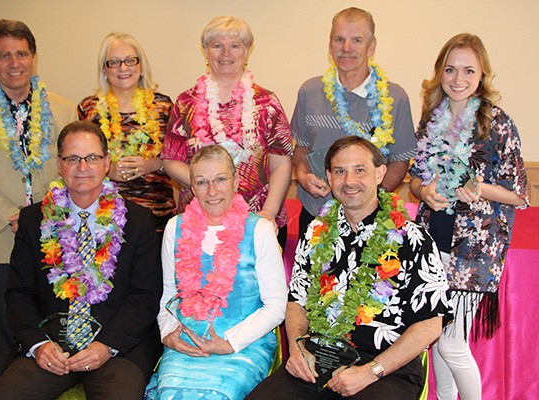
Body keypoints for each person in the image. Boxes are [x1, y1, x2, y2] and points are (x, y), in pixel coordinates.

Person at [247, 136, 453, 400]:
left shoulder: (413, 239)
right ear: (330, 177)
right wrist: (298, 350)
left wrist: (370, 372)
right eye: (340, 172)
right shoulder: (315, 233)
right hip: (318, 359)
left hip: (384, 367)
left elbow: (430, 325)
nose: (349, 181)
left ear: (380, 173)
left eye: (360, 170)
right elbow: (296, 301)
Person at [0, 121, 163, 399]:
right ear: (60, 164)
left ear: (106, 163)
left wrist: (106, 346)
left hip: (116, 348)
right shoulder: (34, 220)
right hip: (52, 347)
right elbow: (19, 294)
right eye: (73, 158)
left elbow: (146, 295)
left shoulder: (137, 221)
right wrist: (39, 346)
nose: (83, 167)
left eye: (92, 158)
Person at [0, 19, 76, 380]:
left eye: (21, 53)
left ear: (33, 57)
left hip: (53, 237)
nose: (14, 63)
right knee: (4, 326)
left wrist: (46, 216)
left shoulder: (63, 108)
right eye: (4, 55)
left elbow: (72, 170)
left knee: (52, 322)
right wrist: (15, 217)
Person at [409, 34, 528, 400]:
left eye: (468, 70)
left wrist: (478, 187)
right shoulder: (433, 118)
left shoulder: (497, 123)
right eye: (450, 69)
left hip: (473, 252)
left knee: (452, 345)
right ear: (440, 72)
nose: (458, 79)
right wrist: (422, 190)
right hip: (433, 241)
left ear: (481, 76)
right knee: (438, 342)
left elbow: (520, 195)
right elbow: (416, 177)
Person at [145, 145, 287, 399]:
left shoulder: (259, 230)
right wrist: (168, 335)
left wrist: (230, 342)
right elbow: (167, 296)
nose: (212, 192)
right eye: (202, 182)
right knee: (168, 393)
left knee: (219, 394)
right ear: (191, 186)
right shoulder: (174, 228)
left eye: (221, 179)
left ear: (236, 182)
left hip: (244, 345)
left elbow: (276, 307)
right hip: (187, 343)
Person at [161, 16, 293, 246]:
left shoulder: (267, 102)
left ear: (246, 52)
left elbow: (281, 163)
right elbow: (172, 160)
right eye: (217, 45)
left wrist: (268, 213)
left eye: (235, 46)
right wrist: (208, 186)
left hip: (257, 220)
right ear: (206, 51)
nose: (226, 54)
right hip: (200, 218)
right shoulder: (186, 102)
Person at [292, 7, 416, 238]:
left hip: (372, 220)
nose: (346, 48)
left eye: (356, 40)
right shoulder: (309, 92)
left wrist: (370, 199)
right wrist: (302, 175)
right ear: (330, 46)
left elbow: (399, 161)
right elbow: (301, 148)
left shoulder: (395, 98)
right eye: (339, 39)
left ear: (371, 46)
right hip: (315, 215)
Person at [78, 32, 175, 236]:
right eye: (114, 62)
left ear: (140, 67)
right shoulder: (88, 109)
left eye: (130, 60)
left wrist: (153, 164)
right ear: (105, 69)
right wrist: (106, 169)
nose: (123, 68)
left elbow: (178, 158)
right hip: (104, 219)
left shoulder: (163, 106)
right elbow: (77, 162)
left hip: (156, 217)